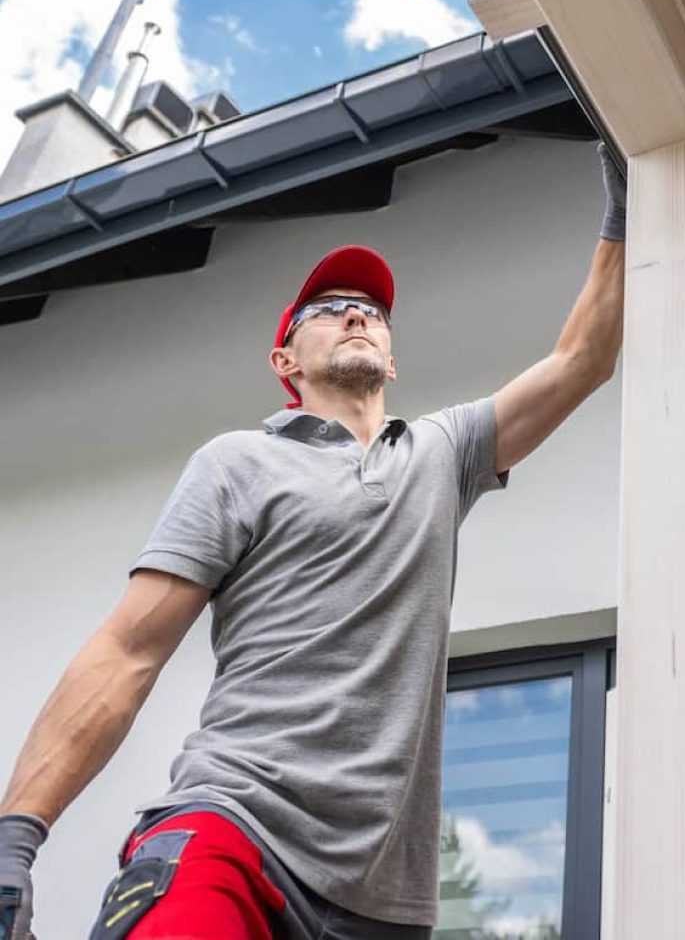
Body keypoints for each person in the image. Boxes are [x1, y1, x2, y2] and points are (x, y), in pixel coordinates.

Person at [0, 145, 628, 939]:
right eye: (327, 308)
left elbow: (582, 359)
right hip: (233, 829)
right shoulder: (237, 462)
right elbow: (129, 650)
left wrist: (623, 206)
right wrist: (14, 841)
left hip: (386, 903)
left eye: (371, 311)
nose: (357, 312)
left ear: (392, 359)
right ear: (285, 361)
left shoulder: (442, 453)